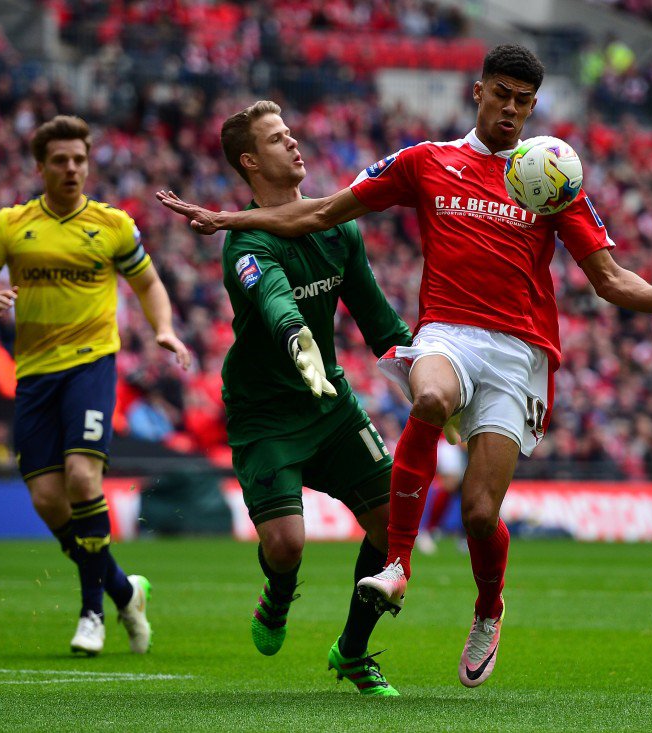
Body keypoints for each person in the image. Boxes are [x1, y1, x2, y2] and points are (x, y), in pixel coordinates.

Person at [156, 44, 652, 687]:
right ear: (478, 91)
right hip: (448, 333)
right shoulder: (425, 163)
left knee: (481, 514)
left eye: (525, 100)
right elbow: (320, 211)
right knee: (427, 399)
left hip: (519, 350)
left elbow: (610, 279)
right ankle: (397, 563)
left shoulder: (552, 177)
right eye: (502, 94)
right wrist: (225, 218)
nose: (512, 108)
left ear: (533, 107)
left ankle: (489, 608)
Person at [0, 114, 191, 656]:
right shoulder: (12, 225)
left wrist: (164, 329)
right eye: (60, 160)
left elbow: (149, 283)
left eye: (79, 160)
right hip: (34, 373)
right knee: (46, 498)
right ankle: (124, 589)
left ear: (89, 164)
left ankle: (92, 613)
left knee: (84, 480)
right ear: (40, 166)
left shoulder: (112, 225)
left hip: (91, 364)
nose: (71, 168)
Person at [212, 101, 412, 696]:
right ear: (251, 161)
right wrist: (299, 341)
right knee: (287, 545)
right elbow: (276, 303)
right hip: (266, 415)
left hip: (330, 405)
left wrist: (427, 377)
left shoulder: (338, 225)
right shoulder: (246, 240)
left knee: (393, 526)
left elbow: (378, 319)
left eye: (291, 134)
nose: (294, 144)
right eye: (277, 139)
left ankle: (352, 652)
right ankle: (278, 592)